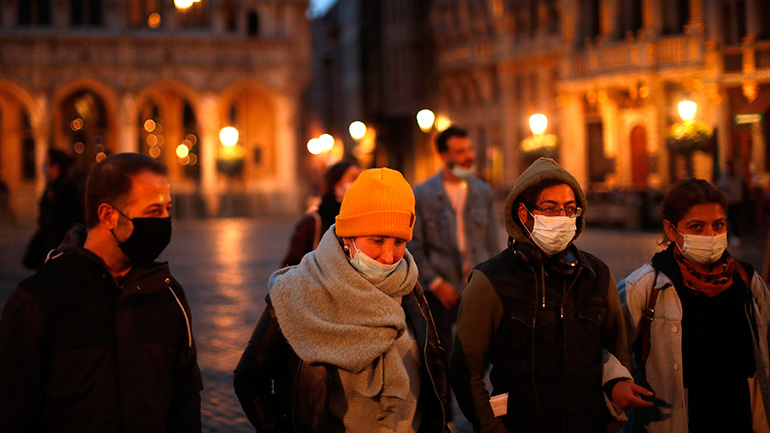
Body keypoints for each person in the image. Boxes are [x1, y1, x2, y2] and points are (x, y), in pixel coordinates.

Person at [233, 167, 450, 433]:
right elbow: (250, 378)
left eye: (399, 241)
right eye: (377, 240)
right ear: (348, 237)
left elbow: (435, 365)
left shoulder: (409, 285)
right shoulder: (296, 289)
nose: (389, 255)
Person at [0, 153, 203, 433]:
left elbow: (185, 400)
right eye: (153, 212)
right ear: (108, 215)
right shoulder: (37, 301)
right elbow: (13, 410)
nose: (165, 220)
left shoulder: (168, 294)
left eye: (168, 208)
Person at [450, 157, 651, 433]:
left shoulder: (597, 275)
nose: (562, 218)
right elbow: (465, 371)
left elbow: (619, 354)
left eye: (570, 209)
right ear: (524, 214)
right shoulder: (490, 281)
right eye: (550, 209)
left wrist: (612, 422)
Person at [620, 178, 770, 432]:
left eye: (718, 225)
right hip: (676, 422)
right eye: (696, 227)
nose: (710, 235)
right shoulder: (645, 287)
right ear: (671, 230)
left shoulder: (746, 279)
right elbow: (613, 351)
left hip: (739, 417)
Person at [409, 125, 500, 352]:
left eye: (469, 149)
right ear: (443, 155)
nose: (468, 156)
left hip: (475, 288)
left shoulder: (483, 192)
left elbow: (492, 244)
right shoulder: (422, 194)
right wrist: (436, 283)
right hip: (438, 291)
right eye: (460, 151)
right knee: (441, 356)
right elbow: (414, 246)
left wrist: (489, 282)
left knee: (476, 357)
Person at [281, 160, 361, 267]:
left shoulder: (362, 219)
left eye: (361, 179)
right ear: (336, 184)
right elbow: (290, 266)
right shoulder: (312, 222)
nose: (359, 183)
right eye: (353, 178)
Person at [22, 149, 85, 269]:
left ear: (58, 167)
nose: (47, 169)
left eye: (49, 164)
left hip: (60, 244)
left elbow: (69, 219)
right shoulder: (52, 186)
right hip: (49, 242)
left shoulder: (67, 187)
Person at [716, 158, 747, 243]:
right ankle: (732, 236)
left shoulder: (739, 176)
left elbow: (744, 187)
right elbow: (721, 188)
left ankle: (737, 235)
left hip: (738, 201)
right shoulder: (724, 177)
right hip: (729, 201)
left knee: (737, 219)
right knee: (730, 219)